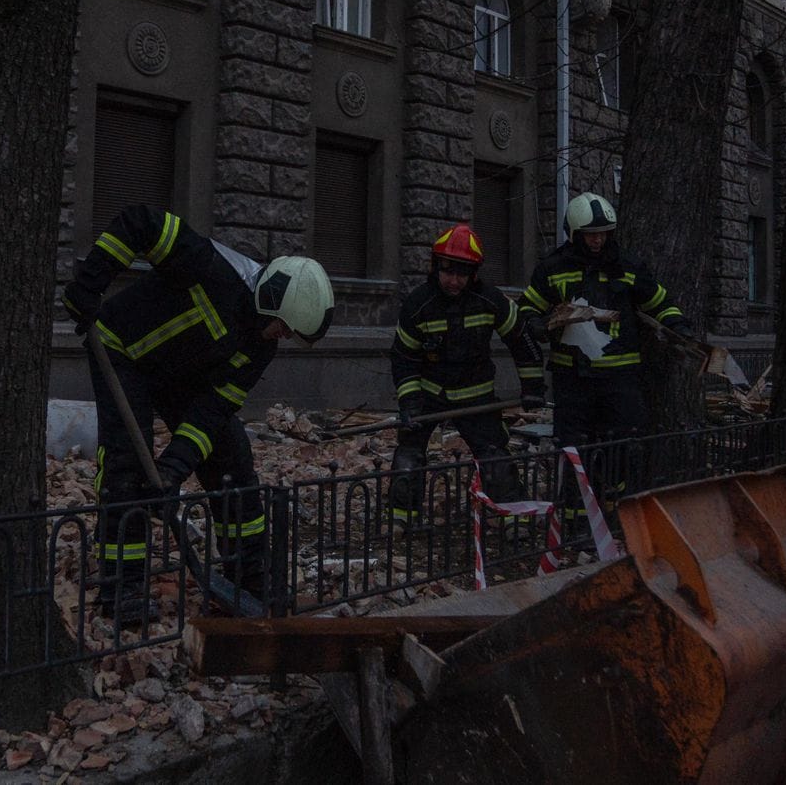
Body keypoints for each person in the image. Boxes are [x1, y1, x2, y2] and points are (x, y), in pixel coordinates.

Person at [63, 205, 334, 623]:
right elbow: (140, 222)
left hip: (181, 377)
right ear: (271, 299)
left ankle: (250, 572)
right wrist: (92, 281)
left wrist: (174, 468)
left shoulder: (260, 347)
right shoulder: (209, 265)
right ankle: (124, 586)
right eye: (283, 327)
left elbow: (213, 410)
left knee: (232, 460)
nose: (282, 337)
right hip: (123, 352)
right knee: (126, 465)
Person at [387, 224, 543, 526]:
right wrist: (409, 403)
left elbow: (522, 340)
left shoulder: (491, 300)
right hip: (429, 396)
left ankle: (516, 522)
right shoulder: (418, 305)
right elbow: (403, 358)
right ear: (436, 267)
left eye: (463, 274)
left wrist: (533, 386)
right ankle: (401, 524)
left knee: (495, 459)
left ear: (474, 274)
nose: (455, 281)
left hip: (477, 397)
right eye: (449, 272)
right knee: (408, 457)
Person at [520, 192, 690, 451]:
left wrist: (678, 327)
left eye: (604, 232)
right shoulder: (552, 269)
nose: (598, 239)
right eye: (590, 234)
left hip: (621, 379)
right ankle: (576, 492)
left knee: (625, 445)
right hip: (572, 379)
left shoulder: (628, 267)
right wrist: (535, 323)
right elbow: (528, 307)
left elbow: (660, 304)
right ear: (575, 234)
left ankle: (620, 491)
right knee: (573, 447)